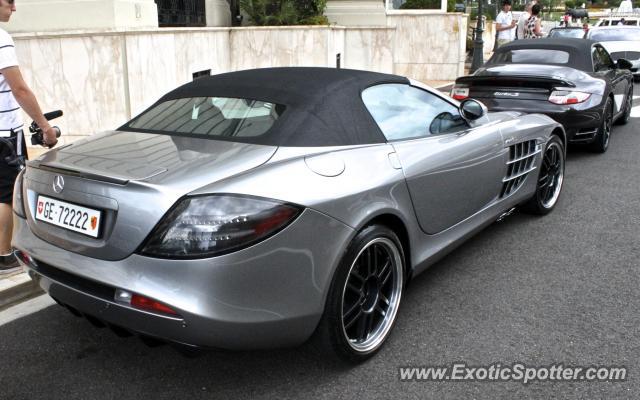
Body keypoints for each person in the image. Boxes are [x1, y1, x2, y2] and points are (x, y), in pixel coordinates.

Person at [0, 0, 58, 273]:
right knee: (6, 194)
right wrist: (45, 126)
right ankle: (4, 255)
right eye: (8, 2)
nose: (14, 8)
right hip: (4, 133)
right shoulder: (0, 38)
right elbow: (19, 90)